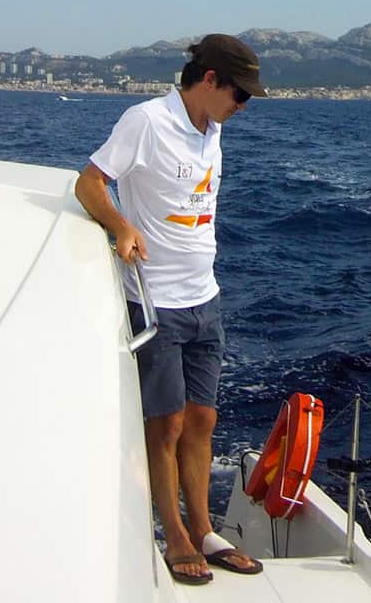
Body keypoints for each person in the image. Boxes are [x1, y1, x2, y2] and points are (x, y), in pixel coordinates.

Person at [75, 34, 268, 586]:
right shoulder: (146, 121)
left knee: (203, 421)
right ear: (209, 80)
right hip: (156, 301)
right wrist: (121, 226)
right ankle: (174, 534)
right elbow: (90, 182)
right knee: (167, 425)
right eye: (240, 93)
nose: (243, 106)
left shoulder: (213, 133)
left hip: (206, 299)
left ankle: (204, 529)